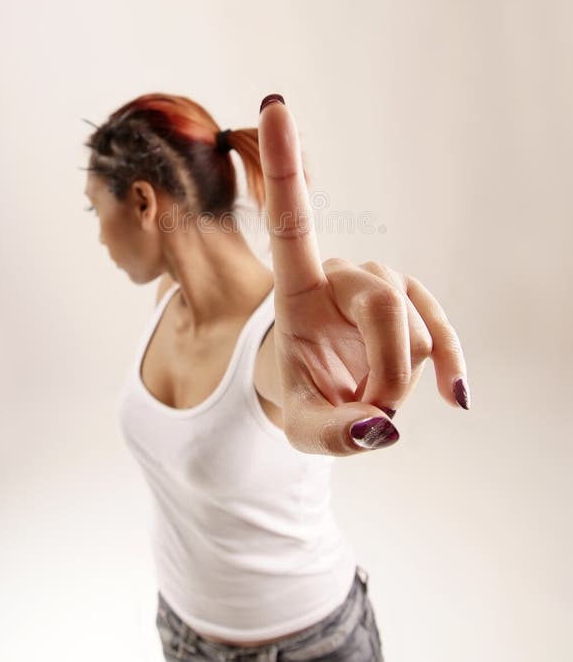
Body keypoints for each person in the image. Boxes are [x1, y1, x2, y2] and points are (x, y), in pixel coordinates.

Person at [82, 91, 470, 661]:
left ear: (142, 201)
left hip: (311, 646)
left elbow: (281, 375)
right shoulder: (169, 298)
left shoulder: (275, 342)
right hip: (182, 634)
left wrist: (356, 349)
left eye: (97, 211)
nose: (98, 237)